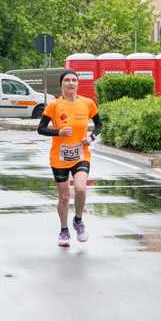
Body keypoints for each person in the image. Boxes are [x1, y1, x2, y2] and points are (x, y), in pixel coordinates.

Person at [37, 70, 103, 247]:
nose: (71, 83)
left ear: (78, 84)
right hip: (59, 157)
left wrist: (91, 138)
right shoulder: (54, 105)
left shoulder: (88, 103)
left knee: (80, 188)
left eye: (74, 80)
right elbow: (41, 128)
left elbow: (99, 125)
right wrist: (58, 131)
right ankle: (64, 230)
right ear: (61, 85)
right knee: (64, 197)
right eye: (67, 80)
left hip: (81, 154)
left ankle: (78, 220)